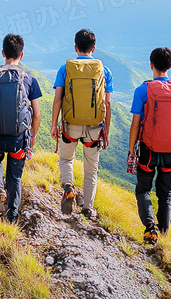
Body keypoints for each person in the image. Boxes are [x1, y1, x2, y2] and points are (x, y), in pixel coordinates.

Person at [0, 33, 42, 223]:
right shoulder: (29, 80)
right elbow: (36, 114)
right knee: (15, 177)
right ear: (22, 55)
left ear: (3, 53)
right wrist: (33, 135)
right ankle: (12, 218)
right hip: (19, 138)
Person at [128, 47, 171, 244]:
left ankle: (150, 228)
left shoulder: (142, 90)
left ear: (151, 65)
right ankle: (163, 236)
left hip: (148, 150)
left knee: (143, 190)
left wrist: (131, 152)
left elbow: (136, 124)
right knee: (165, 195)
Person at [50, 29, 112, 219]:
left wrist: (54, 124)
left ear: (75, 47)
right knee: (90, 169)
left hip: (71, 126)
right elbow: (107, 103)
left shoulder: (65, 69)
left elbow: (58, 99)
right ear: (93, 48)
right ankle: (87, 207)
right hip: (94, 128)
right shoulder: (104, 70)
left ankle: (68, 187)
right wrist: (106, 131)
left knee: (67, 159)